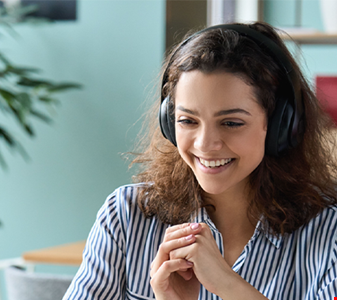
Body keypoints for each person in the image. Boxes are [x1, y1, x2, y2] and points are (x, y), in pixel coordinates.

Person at [63, 22, 337, 300]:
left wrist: (228, 285)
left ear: (281, 126)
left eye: (231, 122)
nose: (205, 144)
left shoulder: (330, 233)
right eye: (188, 121)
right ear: (169, 122)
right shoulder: (125, 217)